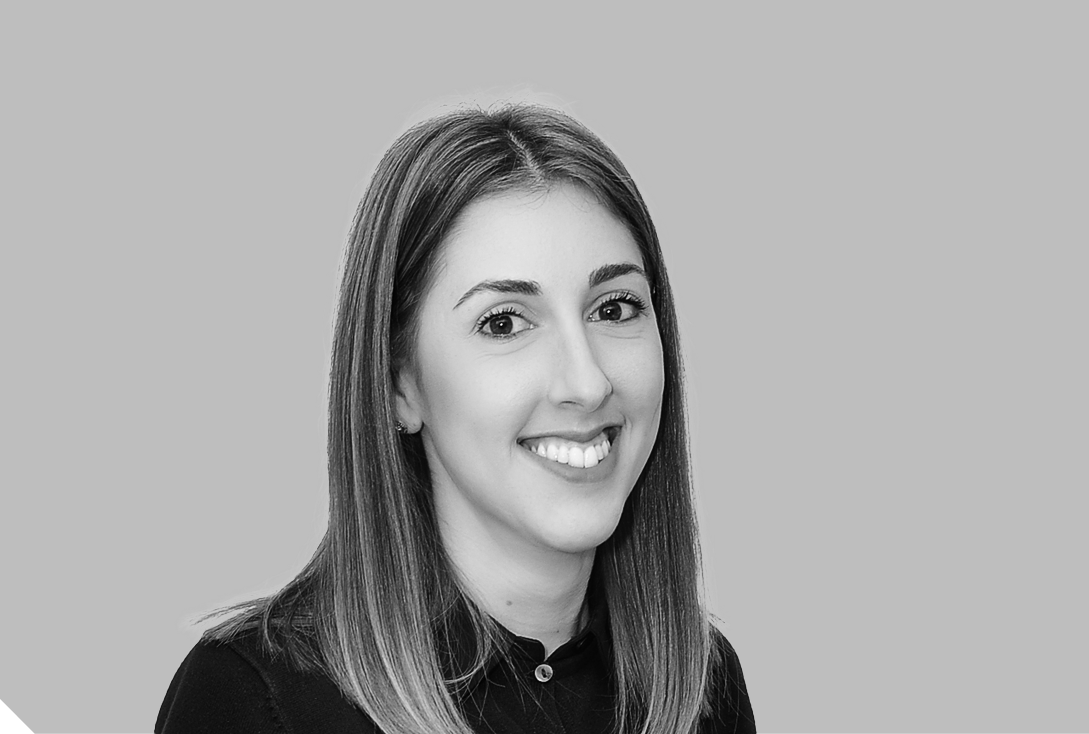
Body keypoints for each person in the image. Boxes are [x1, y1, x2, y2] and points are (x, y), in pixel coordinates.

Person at [156, 104, 755, 734]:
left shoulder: (704, 685)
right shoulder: (253, 699)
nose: (586, 383)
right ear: (398, 384)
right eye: (504, 323)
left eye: (614, 308)